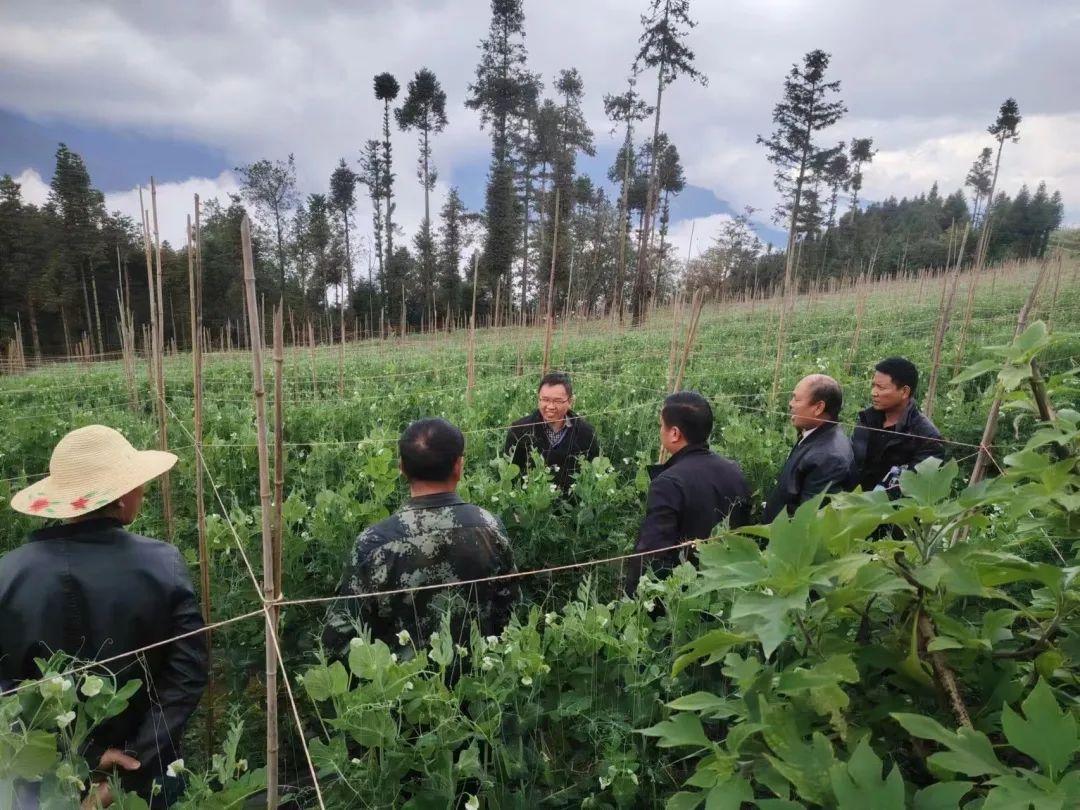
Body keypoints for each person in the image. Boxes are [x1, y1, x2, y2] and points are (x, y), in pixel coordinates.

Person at [0, 425, 207, 808]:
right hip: (148, 773)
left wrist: (81, 756)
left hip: (41, 780)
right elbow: (185, 679)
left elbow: (5, 692)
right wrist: (133, 759)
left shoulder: (7, 575)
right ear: (123, 496)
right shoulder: (162, 564)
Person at [323, 418, 518, 656]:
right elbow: (508, 612)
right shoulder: (490, 526)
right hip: (481, 675)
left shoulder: (375, 543)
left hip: (404, 684)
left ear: (401, 468)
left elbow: (340, 635)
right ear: (459, 467)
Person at [627, 392, 751, 595]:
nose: (661, 430)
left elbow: (653, 552)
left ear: (674, 433)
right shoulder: (734, 470)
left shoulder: (668, 483)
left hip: (683, 594)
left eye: (661, 425)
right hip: (727, 586)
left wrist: (635, 595)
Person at [763, 374, 855, 522]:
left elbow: (806, 520)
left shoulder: (829, 458)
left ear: (819, 407)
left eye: (796, 399)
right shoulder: (817, 433)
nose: (790, 404)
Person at [852, 357, 944, 495]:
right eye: (873, 385)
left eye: (881, 387)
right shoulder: (866, 419)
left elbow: (911, 490)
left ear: (904, 392)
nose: (874, 392)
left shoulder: (927, 437)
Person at [504, 371, 599, 492]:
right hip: (531, 503)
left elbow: (594, 473)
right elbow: (510, 474)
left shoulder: (586, 432)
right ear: (539, 399)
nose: (550, 406)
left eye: (558, 401)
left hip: (572, 505)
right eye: (545, 400)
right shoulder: (519, 430)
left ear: (570, 402)